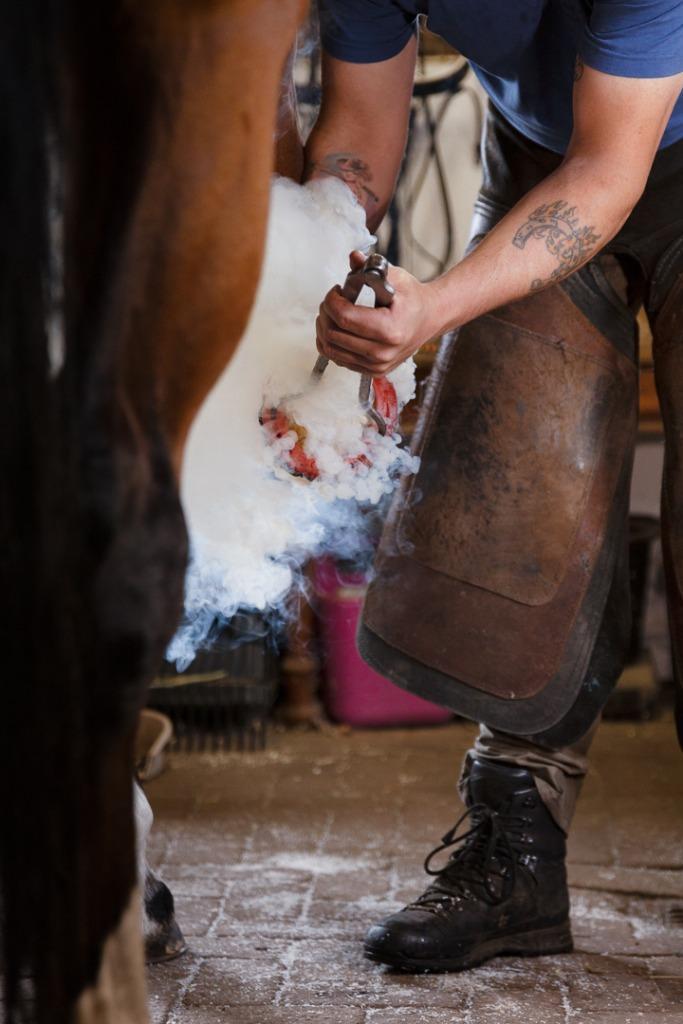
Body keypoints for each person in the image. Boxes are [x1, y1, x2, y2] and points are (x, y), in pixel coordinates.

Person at [298, 0, 683, 973]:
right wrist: (323, 266)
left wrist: (436, 306)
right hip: (539, 153)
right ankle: (513, 861)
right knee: (508, 498)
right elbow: (357, 128)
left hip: (627, 145)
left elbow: (611, 168)